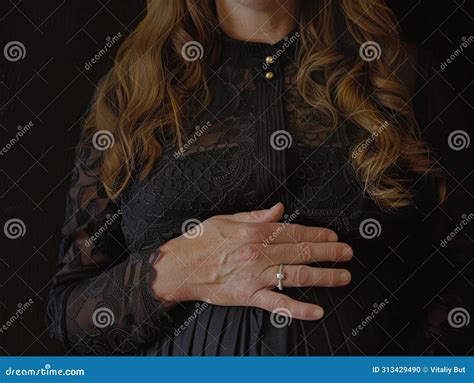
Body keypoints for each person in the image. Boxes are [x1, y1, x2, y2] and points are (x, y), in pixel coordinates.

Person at [46, 0, 472, 355]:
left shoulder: (400, 77)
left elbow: (460, 272)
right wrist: (176, 270)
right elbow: (68, 312)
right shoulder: (133, 93)